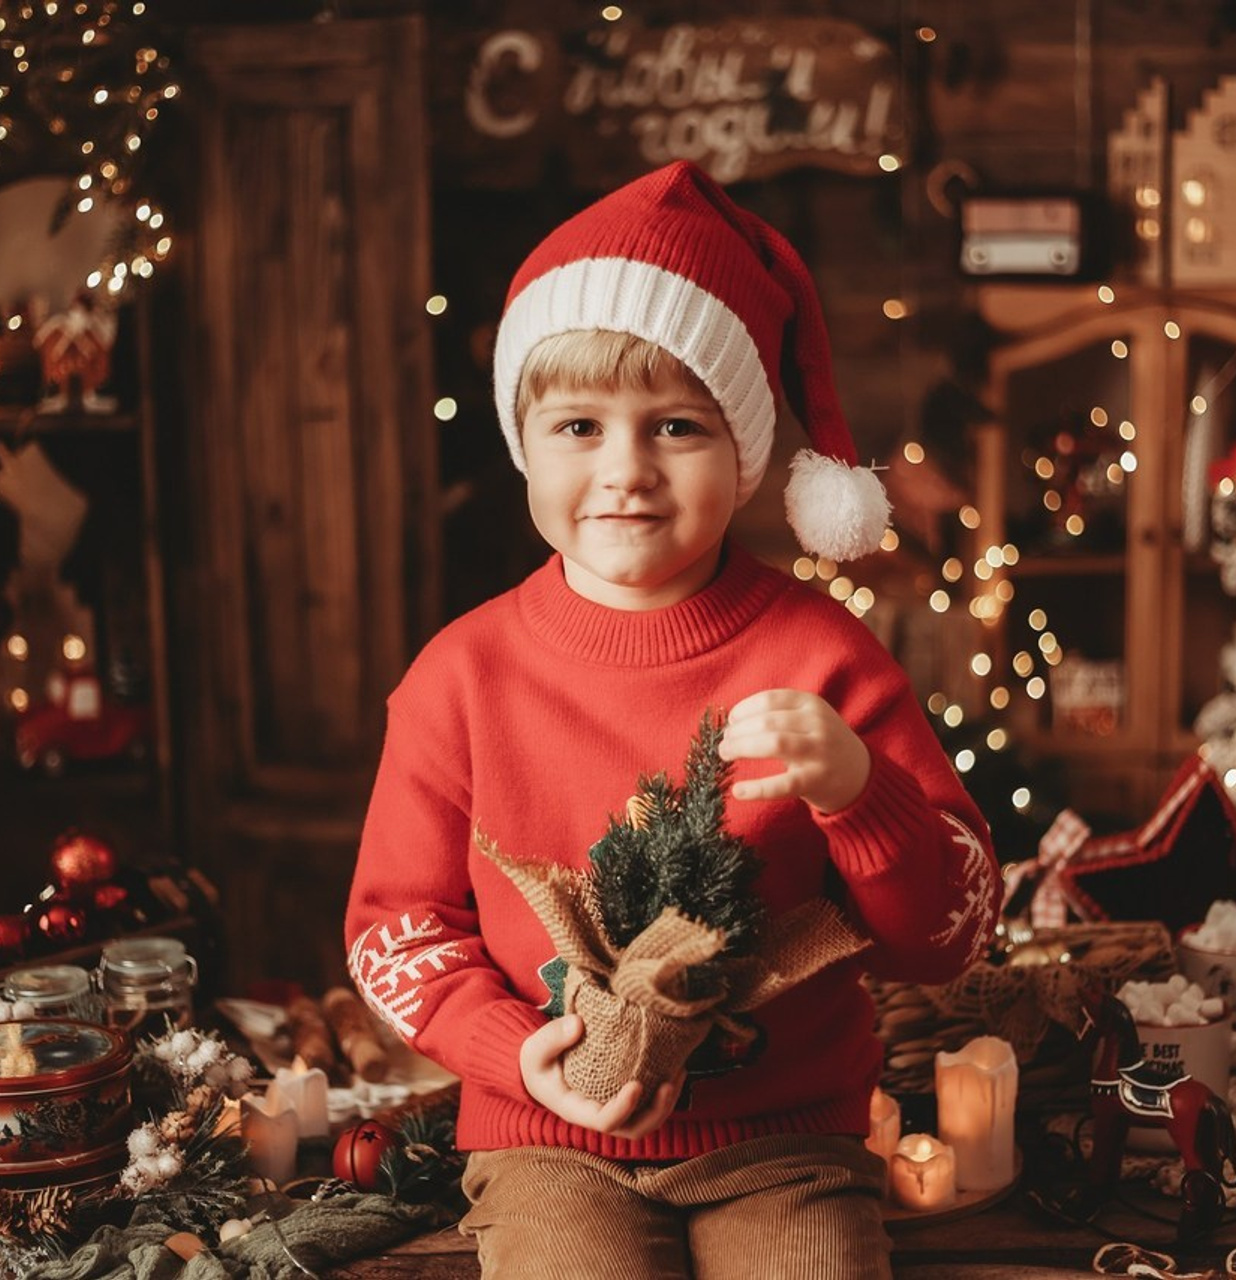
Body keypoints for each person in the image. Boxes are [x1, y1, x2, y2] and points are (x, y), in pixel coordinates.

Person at [345, 160, 1000, 1279]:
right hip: (549, 1137)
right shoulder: (464, 673)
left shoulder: (823, 659)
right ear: (523, 439)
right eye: (579, 425)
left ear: (744, 452)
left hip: (783, 1138)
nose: (625, 472)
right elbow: (393, 926)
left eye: (678, 427)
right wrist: (513, 1051)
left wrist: (856, 789)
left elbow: (948, 940)